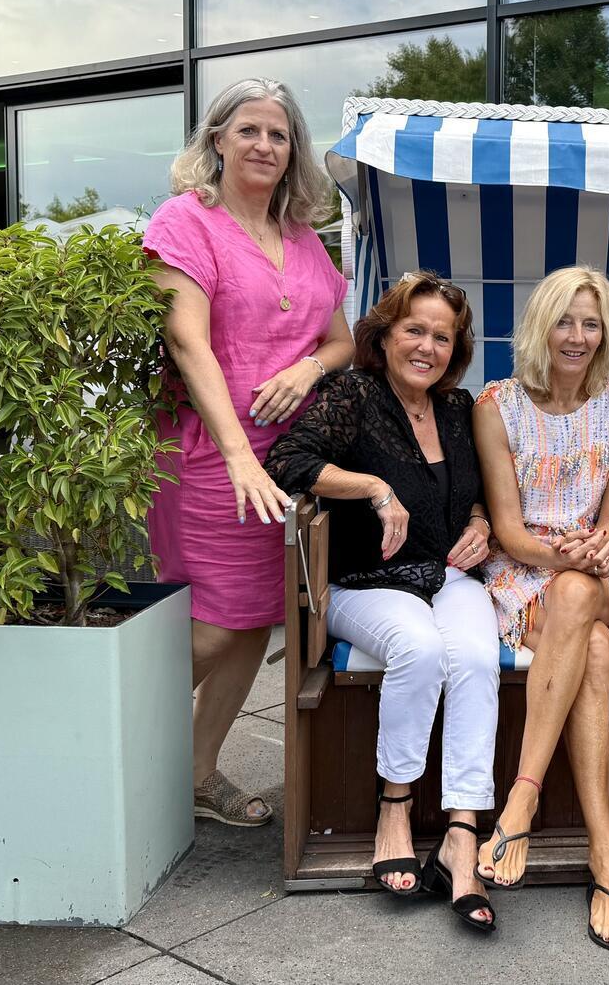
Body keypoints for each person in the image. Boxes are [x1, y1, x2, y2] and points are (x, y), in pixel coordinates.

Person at [144, 78, 353, 828]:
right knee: (210, 622)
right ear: (218, 140)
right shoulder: (186, 222)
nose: (265, 144)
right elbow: (186, 341)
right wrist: (237, 455)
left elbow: (342, 340)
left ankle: (197, 772)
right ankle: (108, 734)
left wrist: (307, 367)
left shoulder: (302, 237)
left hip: (288, 461)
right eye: (250, 130)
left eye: (280, 133)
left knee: (255, 617)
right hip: (208, 454)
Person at [264, 271, 499, 929]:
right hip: (362, 581)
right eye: (414, 330)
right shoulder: (353, 392)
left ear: (457, 347)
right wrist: (371, 484)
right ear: (386, 335)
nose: (427, 346)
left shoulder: (458, 409)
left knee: (480, 655)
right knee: (420, 648)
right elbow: (289, 459)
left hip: (445, 572)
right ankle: (393, 807)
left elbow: (476, 492)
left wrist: (480, 524)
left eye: (442, 336)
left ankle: (461, 833)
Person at [472, 266, 609, 952]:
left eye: (591, 322)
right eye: (565, 320)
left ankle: (523, 793)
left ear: (606, 333)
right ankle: (606, 855)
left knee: (580, 595)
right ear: (539, 327)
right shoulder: (496, 406)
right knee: (592, 642)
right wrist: (567, 560)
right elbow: (511, 532)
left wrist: (593, 553)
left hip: (600, 568)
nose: (577, 336)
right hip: (525, 572)